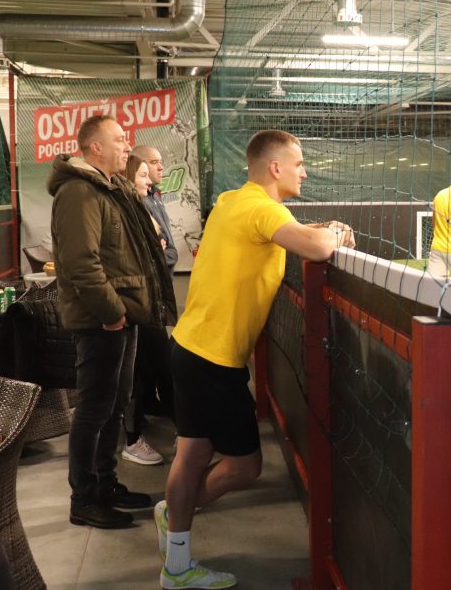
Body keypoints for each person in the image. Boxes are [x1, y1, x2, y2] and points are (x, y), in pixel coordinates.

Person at [154, 129, 354, 589]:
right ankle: (176, 521)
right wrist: (335, 232)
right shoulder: (263, 209)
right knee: (245, 466)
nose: (305, 172)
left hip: (189, 347)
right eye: (299, 164)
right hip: (212, 360)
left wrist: (318, 229)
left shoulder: (233, 200)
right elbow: (319, 248)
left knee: (192, 454)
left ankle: (176, 556)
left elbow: (284, 232)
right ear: (275, 168)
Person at [48, 115, 177, 529]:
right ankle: (85, 498)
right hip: (102, 321)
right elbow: (81, 264)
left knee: (115, 404)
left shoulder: (110, 187)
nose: (127, 145)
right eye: (120, 139)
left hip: (123, 316)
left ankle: (104, 483)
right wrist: (112, 313)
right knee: (94, 409)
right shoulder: (78, 193)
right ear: (95, 148)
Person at [119, 153, 173, 466]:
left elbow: (162, 243)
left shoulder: (141, 206)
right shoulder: (124, 210)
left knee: (156, 367)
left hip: (147, 302)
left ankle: (178, 427)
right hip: (134, 305)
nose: (148, 181)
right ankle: (132, 439)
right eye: (142, 175)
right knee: (138, 375)